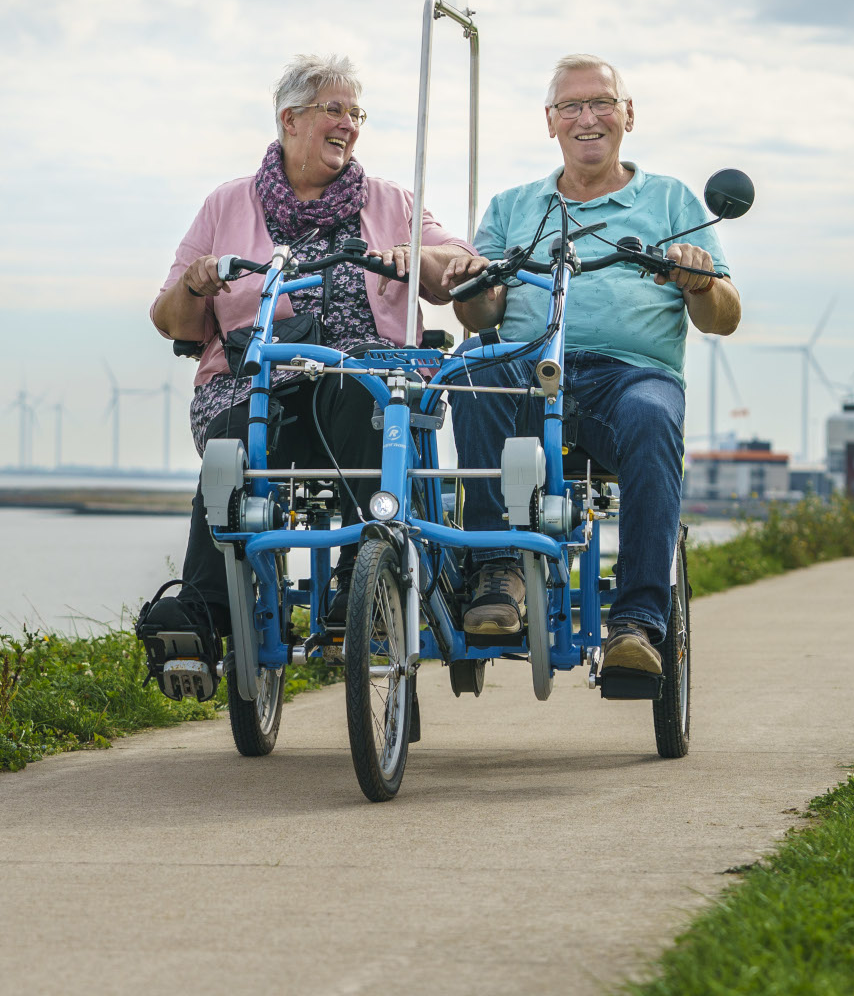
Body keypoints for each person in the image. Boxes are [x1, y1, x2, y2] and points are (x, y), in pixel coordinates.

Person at [139, 54, 472, 690]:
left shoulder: (394, 202)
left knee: (363, 389)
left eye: (355, 112)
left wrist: (419, 259)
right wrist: (196, 280)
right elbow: (173, 321)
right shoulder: (226, 204)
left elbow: (459, 264)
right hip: (255, 381)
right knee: (231, 448)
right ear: (290, 120)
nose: (348, 123)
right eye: (334, 109)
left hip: (359, 384)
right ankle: (205, 613)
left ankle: (360, 577)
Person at [443, 53, 741, 678]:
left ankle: (636, 623)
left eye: (602, 102)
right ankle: (497, 575)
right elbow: (479, 316)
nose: (588, 118)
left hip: (628, 375)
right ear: (549, 121)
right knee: (472, 365)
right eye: (570, 106)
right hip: (526, 367)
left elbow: (724, 317)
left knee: (652, 415)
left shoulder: (671, 200)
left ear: (628, 114)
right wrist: (473, 287)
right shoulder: (512, 206)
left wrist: (698, 282)